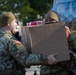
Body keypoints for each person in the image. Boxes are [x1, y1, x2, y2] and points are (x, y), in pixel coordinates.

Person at [40, 11, 76, 75]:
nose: (49, 23)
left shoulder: (65, 33)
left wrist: (69, 38)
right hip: (46, 72)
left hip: (63, 71)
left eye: (52, 21)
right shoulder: (40, 36)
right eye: (47, 21)